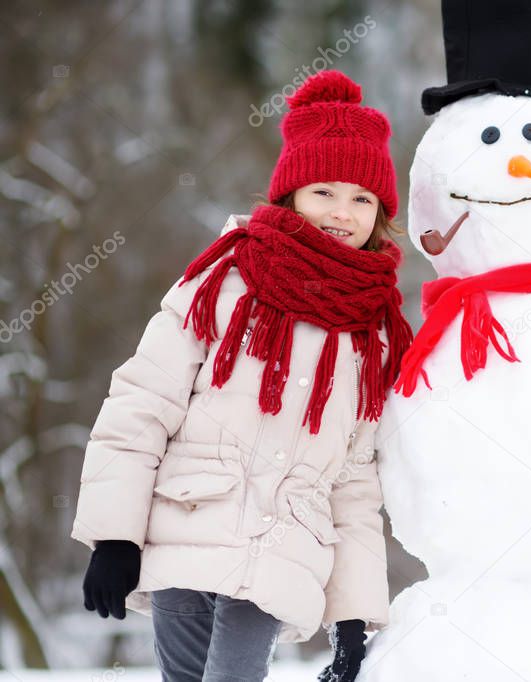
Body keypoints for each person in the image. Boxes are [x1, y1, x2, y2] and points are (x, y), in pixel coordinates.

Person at [70, 70, 412, 682]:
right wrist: (114, 537)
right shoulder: (224, 281)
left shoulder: (374, 329)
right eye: (324, 191)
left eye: (363, 199)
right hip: (184, 521)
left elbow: (355, 480)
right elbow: (141, 407)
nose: (343, 212)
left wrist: (353, 617)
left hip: (284, 551)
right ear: (290, 196)